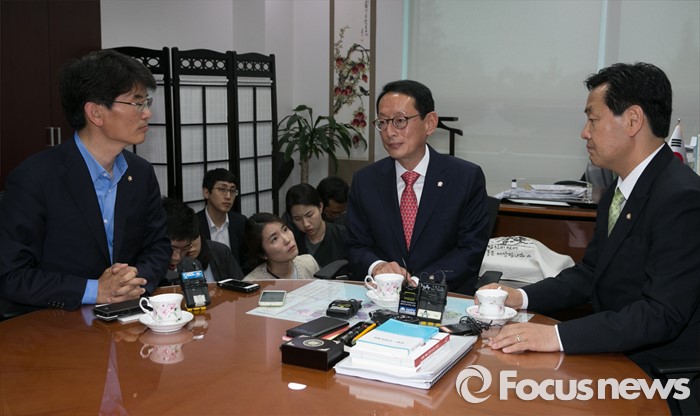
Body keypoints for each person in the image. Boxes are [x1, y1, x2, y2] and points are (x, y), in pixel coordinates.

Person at [486, 63, 700, 389]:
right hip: (615, 353)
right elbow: (592, 273)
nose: (585, 132)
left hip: (659, 376)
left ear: (633, 120)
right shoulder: (618, 189)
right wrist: (520, 297)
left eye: (593, 119)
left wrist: (555, 336)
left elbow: (661, 314)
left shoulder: (681, 198)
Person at [0, 50, 171, 310]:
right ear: (95, 113)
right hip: (57, 324)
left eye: (146, 102)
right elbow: (11, 275)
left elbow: (158, 245)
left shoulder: (141, 172)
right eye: (137, 103)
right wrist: (94, 291)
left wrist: (134, 281)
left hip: (128, 317)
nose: (147, 113)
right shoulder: (34, 178)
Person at [346, 80, 490, 295]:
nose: (389, 132)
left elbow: (470, 251)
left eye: (400, 121)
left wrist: (418, 281)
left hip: (444, 295)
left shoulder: (465, 178)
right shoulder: (365, 180)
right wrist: (377, 267)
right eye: (383, 122)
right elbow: (355, 245)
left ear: (429, 123)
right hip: (381, 295)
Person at [162, 197, 243, 283]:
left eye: (185, 249)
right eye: (172, 248)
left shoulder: (192, 266)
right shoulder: (151, 267)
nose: (177, 257)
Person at [285, 183, 349, 269]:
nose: (306, 224)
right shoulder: (292, 243)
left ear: (320, 207)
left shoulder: (343, 235)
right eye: (297, 219)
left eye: (309, 215)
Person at [243, 212, 320, 281]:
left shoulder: (309, 263)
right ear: (262, 254)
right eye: (275, 239)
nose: (287, 240)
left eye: (285, 230)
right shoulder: (252, 283)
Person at [196, 168, 248, 269]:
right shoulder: (195, 223)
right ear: (206, 193)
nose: (228, 196)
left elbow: (246, 261)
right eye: (222, 189)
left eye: (232, 190)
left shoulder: (240, 222)